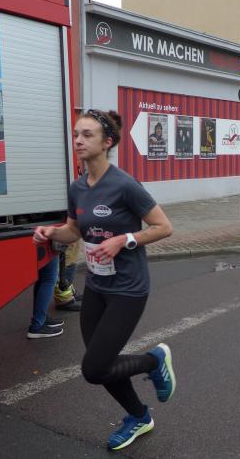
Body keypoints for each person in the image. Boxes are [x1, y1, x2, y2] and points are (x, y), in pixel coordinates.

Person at [33, 108, 175, 451]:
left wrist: (124, 240)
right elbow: (73, 231)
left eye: (87, 135)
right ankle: (139, 416)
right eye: (76, 134)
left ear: (107, 142)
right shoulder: (77, 188)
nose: (78, 140)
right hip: (96, 286)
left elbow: (164, 227)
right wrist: (50, 232)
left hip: (128, 288)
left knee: (94, 369)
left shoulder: (125, 185)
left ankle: (154, 360)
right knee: (103, 363)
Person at [27, 254, 65, 338]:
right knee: (49, 279)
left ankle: (40, 318)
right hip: (47, 246)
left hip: (38, 247)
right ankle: (37, 325)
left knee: (42, 278)